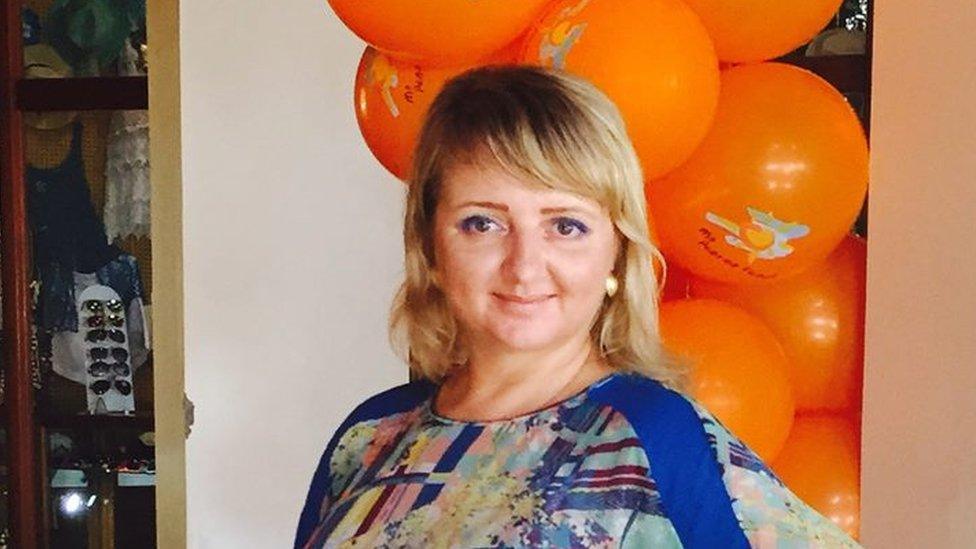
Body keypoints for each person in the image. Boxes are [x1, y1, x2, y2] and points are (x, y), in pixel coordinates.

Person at [295, 65, 861, 548]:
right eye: (483, 223)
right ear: (431, 247)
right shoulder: (369, 435)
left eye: (565, 225)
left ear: (616, 254)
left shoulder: (654, 437)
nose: (525, 264)